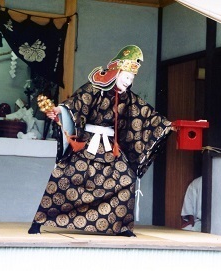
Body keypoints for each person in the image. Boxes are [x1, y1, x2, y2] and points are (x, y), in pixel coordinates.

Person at [28, 45, 172, 237]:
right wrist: (60, 111)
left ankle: (122, 227)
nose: (128, 82)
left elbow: (145, 114)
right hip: (87, 144)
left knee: (126, 180)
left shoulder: (128, 98)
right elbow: (75, 104)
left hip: (110, 147)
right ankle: (40, 221)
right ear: (117, 72)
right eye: (126, 77)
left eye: (131, 79)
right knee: (65, 177)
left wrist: (166, 125)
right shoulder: (94, 88)